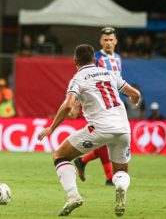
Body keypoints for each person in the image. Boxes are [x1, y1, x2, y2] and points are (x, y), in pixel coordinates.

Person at [38, 44, 141, 217]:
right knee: (121, 171)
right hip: (123, 128)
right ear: (94, 60)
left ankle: (73, 196)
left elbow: (68, 104)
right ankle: (121, 188)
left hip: (100, 127)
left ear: (75, 61)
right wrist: (136, 99)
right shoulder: (109, 73)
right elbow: (134, 93)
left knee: (60, 155)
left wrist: (52, 127)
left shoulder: (78, 78)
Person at [74, 27, 121, 186]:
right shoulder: (97, 58)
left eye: (111, 40)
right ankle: (109, 177)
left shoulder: (118, 58)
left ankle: (83, 161)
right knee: (106, 138)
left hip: (113, 104)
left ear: (115, 41)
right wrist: (76, 104)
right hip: (98, 105)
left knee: (109, 140)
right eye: (105, 40)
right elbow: (84, 81)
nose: (108, 43)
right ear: (101, 41)